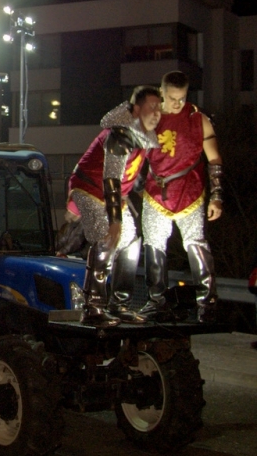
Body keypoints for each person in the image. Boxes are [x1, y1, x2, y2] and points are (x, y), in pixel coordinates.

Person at [67, 86, 162, 327]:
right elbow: (111, 178)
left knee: (131, 239)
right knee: (106, 236)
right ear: (137, 109)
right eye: (151, 107)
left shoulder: (144, 136)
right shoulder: (120, 134)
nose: (156, 113)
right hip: (88, 188)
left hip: (116, 196)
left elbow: (134, 178)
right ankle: (93, 305)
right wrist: (115, 220)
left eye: (159, 108)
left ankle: (119, 303)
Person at [140, 71, 222, 323]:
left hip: (190, 191)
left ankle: (207, 303)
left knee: (196, 246)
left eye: (182, 98)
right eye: (173, 98)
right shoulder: (148, 119)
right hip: (156, 192)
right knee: (154, 246)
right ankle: (157, 300)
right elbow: (134, 159)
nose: (177, 103)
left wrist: (217, 195)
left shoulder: (198, 119)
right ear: (162, 92)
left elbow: (214, 159)